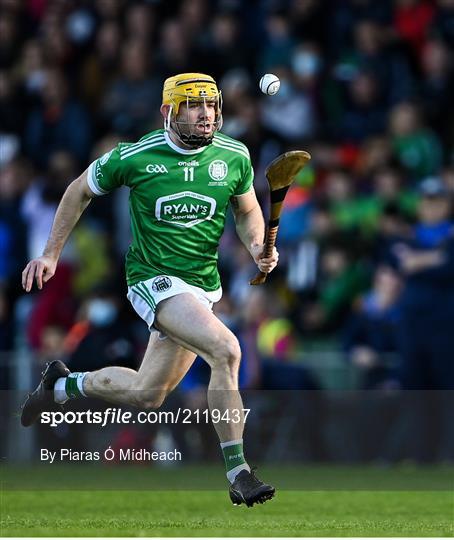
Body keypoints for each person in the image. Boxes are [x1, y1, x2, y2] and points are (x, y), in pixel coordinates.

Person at [20, 73, 278, 507]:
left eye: (212, 105)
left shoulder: (234, 156)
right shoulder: (136, 156)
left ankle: (63, 385)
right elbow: (77, 191)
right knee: (227, 350)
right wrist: (50, 254)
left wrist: (257, 247)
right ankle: (239, 472)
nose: (206, 115)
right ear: (168, 112)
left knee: (147, 394)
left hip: (202, 286)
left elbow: (248, 209)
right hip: (153, 281)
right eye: (194, 106)